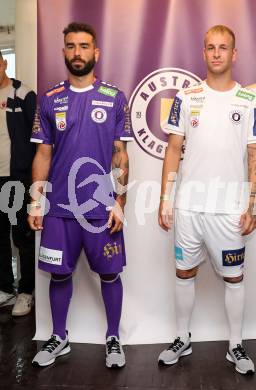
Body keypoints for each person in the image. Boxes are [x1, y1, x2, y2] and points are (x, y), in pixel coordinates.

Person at [158, 25, 256, 375]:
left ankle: (235, 345)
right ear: (203, 53)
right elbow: (173, 150)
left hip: (229, 209)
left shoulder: (250, 101)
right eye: (210, 47)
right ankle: (182, 337)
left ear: (234, 54)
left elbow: (255, 156)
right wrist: (165, 199)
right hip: (189, 206)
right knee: (183, 271)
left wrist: (251, 204)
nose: (217, 53)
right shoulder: (186, 98)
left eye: (223, 47)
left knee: (234, 277)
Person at [28, 22, 133, 368]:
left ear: (96, 53)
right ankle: (60, 336)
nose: (77, 52)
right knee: (59, 274)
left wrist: (119, 203)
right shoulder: (49, 99)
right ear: (63, 52)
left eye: (84, 46)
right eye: (71, 46)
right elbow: (43, 154)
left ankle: (113, 337)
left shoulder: (115, 97)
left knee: (109, 274)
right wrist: (35, 199)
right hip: (59, 208)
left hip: (101, 209)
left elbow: (120, 154)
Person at [0, 50, 36, 316]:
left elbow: (37, 139)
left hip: (17, 177)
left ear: (3, 64)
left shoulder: (22, 94)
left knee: (21, 235)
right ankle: (5, 289)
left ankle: (26, 292)